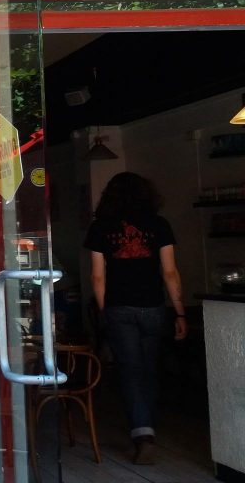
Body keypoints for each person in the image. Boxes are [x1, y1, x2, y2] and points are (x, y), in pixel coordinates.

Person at [83, 172, 186, 465]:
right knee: (149, 367)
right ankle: (148, 422)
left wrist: (104, 310)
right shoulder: (159, 225)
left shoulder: (100, 228)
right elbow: (170, 272)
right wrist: (179, 310)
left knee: (130, 370)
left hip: (119, 307)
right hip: (152, 306)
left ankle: (143, 434)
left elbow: (97, 277)